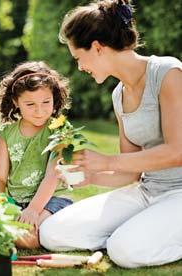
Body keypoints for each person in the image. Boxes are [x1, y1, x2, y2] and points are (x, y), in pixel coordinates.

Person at [39, 0, 182, 268]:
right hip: (148, 191)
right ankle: (143, 232)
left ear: (97, 47)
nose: (80, 67)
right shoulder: (119, 95)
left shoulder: (167, 72)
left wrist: (105, 161)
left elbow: (177, 152)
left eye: (78, 58)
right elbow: (131, 172)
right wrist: (90, 175)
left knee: (124, 250)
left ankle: (137, 237)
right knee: (52, 232)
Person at [0, 61, 73, 249]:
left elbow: (53, 175)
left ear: (54, 98)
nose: (40, 110)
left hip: (52, 200)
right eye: (30, 104)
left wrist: (34, 210)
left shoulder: (61, 130)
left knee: (30, 239)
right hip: (16, 202)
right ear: (15, 102)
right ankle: (2, 231)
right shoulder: (6, 134)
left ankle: (2, 234)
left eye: (46, 102)